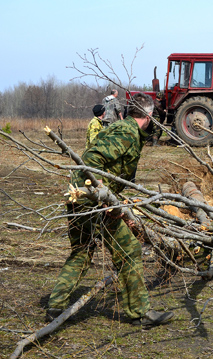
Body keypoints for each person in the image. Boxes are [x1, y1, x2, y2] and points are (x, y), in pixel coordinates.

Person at [47, 93, 174, 326]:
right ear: (148, 115)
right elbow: (92, 159)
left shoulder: (124, 129)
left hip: (80, 199)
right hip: (93, 202)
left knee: (82, 252)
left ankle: (55, 306)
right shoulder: (127, 132)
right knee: (130, 252)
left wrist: (117, 204)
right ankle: (139, 312)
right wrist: (104, 198)